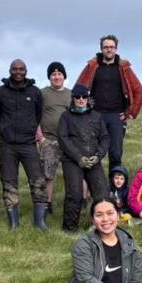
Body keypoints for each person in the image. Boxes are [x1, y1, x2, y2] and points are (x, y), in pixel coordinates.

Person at [74, 34, 142, 170]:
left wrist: (131, 113)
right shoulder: (92, 66)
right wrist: (83, 109)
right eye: (106, 47)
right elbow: (78, 89)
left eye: (112, 47)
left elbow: (139, 92)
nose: (109, 50)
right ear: (101, 49)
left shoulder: (124, 68)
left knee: (115, 154)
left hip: (116, 116)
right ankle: (93, 187)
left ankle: (115, 187)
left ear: (116, 49)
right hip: (95, 115)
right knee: (91, 151)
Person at [0, 59, 48, 230]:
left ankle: (40, 222)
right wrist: (7, 129)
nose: (18, 72)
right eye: (15, 69)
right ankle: (14, 223)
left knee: (38, 181)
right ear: (10, 71)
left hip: (28, 144)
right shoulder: (1, 92)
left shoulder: (35, 92)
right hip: (7, 145)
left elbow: (38, 115)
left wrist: (30, 129)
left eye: (21, 69)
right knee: (9, 183)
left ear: (26, 71)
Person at [57, 85, 109, 232]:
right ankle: (70, 230)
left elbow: (105, 138)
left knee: (102, 194)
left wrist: (98, 155)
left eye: (84, 97)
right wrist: (78, 157)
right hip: (72, 161)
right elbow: (63, 138)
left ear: (88, 99)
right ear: (73, 98)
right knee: (75, 194)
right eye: (78, 97)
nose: (81, 100)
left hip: (93, 160)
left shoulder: (96, 116)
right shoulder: (65, 117)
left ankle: (102, 227)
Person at [39, 61, 71, 216]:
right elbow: (34, 116)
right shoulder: (42, 93)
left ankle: (78, 200)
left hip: (68, 141)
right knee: (47, 175)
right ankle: (47, 203)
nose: (57, 77)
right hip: (48, 140)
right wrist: (40, 138)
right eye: (53, 74)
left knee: (72, 174)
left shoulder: (71, 94)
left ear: (64, 76)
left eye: (59, 74)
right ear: (49, 77)